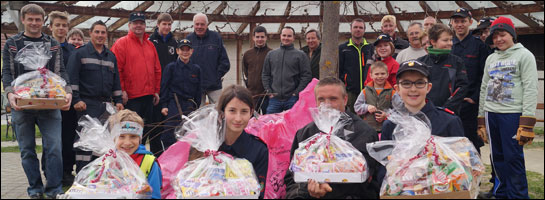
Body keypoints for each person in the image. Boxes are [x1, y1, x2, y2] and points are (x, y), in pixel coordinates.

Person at [2, 4, 72, 199]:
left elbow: (60, 71)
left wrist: (67, 92)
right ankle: (35, 189)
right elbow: (7, 73)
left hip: (50, 104)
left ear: (43, 22)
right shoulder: (12, 43)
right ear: (23, 20)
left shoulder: (52, 44)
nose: (34, 23)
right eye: (30, 19)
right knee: (27, 150)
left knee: (55, 148)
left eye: (38, 20)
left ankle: (54, 189)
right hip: (22, 105)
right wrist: (10, 94)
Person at [284, 77, 379, 199]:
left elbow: (369, 181)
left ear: (345, 100)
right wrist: (308, 191)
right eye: (321, 99)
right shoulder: (305, 133)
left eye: (333, 99)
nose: (327, 104)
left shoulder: (364, 133)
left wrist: (328, 191)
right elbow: (292, 178)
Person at [478, 16, 538, 199]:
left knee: (513, 158)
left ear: (512, 34)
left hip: (512, 114)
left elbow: (530, 87)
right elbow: (484, 87)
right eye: (494, 37)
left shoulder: (524, 55)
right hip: (491, 113)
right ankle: (501, 194)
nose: (498, 40)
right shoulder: (491, 58)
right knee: (497, 158)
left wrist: (527, 122)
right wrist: (481, 119)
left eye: (502, 35)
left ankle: (518, 195)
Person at [68, 20, 124, 172]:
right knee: (86, 142)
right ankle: (82, 175)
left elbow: (116, 81)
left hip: (105, 107)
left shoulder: (110, 56)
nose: (100, 35)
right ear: (90, 34)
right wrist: (76, 100)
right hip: (86, 105)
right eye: (97, 32)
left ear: (106, 35)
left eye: (103, 32)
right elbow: (72, 79)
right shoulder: (79, 53)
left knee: (103, 143)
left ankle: (99, 175)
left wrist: (118, 101)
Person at [111, 12, 162, 155]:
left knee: (145, 132)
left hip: (148, 96)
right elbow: (117, 69)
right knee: (129, 132)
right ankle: (128, 159)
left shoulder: (150, 45)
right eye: (135, 23)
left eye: (141, 23)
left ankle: (141, 158)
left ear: (145, 26)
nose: (138, 25)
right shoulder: (121, 43)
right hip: (131, 98)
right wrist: (122, 90)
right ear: (129, 25)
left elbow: (157, 69)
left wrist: (156, 90)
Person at [382, 60, 464, 140]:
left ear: (428, 87)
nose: (413, 89)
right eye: (406, 83)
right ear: (397, 89)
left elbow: (460, 152)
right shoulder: (391, 124)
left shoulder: (448, 122)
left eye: (419, 83)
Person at [450, 7, 491, 154]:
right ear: (452, 23)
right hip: (451, 104)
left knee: (471, 144)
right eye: (456, 21)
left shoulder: (479, 46)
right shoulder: (448, 45)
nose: (459, 24)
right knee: (451, 143)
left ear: (470, 22)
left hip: (469, 105)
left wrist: (474, 98)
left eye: (463, 21)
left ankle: (475, 176)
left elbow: (485, 76)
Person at [216, 85, 269, 199]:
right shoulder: (207, 147)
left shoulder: (259, 150)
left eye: (244, 111)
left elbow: (259, 193)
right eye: (232, 111)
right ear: (222, 113)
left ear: (251, 113)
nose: (238, 118)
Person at [48, 10, 78, 187]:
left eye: (64, 25)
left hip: (69, 102)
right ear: (50, 27)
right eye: (57, 25)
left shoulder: (74, 51)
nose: (61, 28)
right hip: (49, 102)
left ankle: (67, 171)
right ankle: (51, 172)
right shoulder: (44, 48)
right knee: (51, 140)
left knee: (68, 139)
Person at [108, 109, 163, 199]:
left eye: (133, 136)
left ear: (140, 138)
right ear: (113, 138)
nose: (127, 142)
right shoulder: (107, 160)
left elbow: (155, 196)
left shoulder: (149, 162)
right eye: (121, 136)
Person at [159, 39, 202, 150]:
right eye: (182, 49)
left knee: (189, 133)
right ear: (177, 51)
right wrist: (164, 105)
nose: (185, 52)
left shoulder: (196, 69)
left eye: (187, 49)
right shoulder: (171, 67)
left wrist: (196, 107)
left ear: (192, 51)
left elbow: (198, 90)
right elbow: (164, 87)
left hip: (189, 105)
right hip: (174, 103)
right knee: (169, 132)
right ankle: (168, 155)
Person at [417, 23, 469, 114]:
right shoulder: (421, 62)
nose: (450, 43)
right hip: (424, 112)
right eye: (445, 40)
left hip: (449, 113)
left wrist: (447, 107)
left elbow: (462, 87)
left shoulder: (457, 62)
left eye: (451, 40)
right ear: (433, 42)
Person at [262, 26, 312, 114]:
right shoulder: (271, 55)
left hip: (292, 99)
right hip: (274, 99)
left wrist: (296, 93)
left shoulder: (300, 55)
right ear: (280, 36)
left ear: (293, 38)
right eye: (284, 35)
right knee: (270, 124)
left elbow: (306, 76)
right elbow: (265, 75)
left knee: (294, 125)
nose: (286, 38)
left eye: (289, 36)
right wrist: (269, 92)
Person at [148, 13, 178, 156]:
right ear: (158, 24)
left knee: (167, 124)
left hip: (169, 90)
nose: (166, 27)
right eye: (164, 24)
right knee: (154, 124)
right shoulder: (151, 41)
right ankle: (154, 154)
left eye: (169, 24)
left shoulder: (174, 43)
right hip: (154, 88)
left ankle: (165, 155)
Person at [186, 13, 230, 106]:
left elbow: (225, 62)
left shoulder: (216, 37)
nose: (199, 27)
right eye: (197, 24)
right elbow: (185, 62)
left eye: (202, 24)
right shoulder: (189, 39)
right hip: (196, 87)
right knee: (197, 115)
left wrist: (215, 77)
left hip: (214, 87)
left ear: (207, 24)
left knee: (218, 112)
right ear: (193, 25)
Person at [339, 18, 375, 114]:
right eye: (355, 27)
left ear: (364, 30)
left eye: (360, 27)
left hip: (368, 90)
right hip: (350, 91)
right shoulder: (343, 48)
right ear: (351, 29)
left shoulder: (371, 48)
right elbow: (339, 70)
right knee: (350, 118)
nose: (358, 29)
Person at [355, 61, 396, 133]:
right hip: (368, 128)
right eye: (376, 74)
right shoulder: (365, 91)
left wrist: (386, 115)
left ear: (387, 74)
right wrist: (366, 107)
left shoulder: (392, 92)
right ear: (371, 75)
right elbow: (357, 107)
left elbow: (399, 110)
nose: (380, 76)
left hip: (386, 129)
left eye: (382, 74)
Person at [242, 26, 272, 114]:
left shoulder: (271, 53)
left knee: (266, 119)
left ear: (266, 37)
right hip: (251, 94)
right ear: (253, 38)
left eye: (262, 37)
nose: (260, 39)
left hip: (266, 94)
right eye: (257, 37)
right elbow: (246, 71)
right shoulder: (247, 54)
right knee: (251, 119)